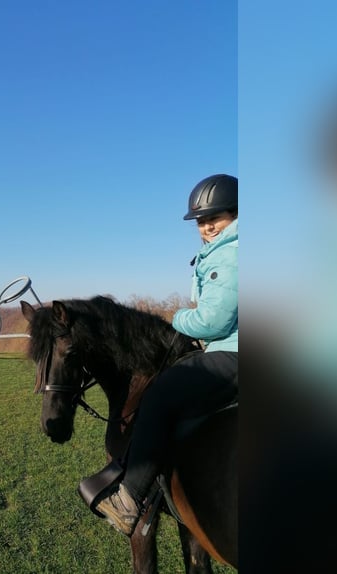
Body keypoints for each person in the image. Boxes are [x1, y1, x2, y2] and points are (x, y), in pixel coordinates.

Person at [92, 174, 239, 535]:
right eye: (201, 222)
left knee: (159, 396)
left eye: (214, 220)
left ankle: (130, 500)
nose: (206, 228)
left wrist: (176, 319)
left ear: (236, 215)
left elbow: (213, 318)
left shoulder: (234, 252)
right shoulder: (229, 249)